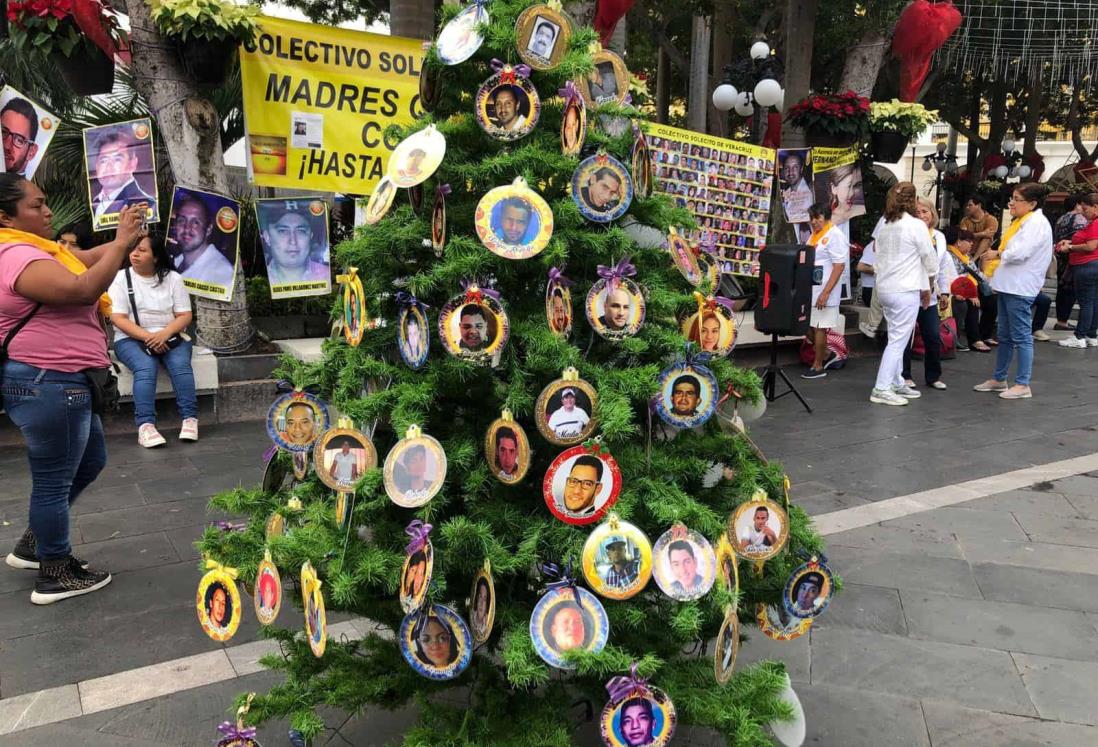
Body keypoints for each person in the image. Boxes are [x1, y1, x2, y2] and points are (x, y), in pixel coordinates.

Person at [0, 174, 145, 603]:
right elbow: (82, 289)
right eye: (36, 205)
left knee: (90, 460)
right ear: (5, 216)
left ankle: (36, 543)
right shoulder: (14, 255)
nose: (47, 212)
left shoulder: (44, 252)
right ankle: (55, 571)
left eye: (45, 204)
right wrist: (121, 244)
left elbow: (86, 258)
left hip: (65, 382)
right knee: (53, 481)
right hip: (49, 382)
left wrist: (126, 236)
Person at [108, 235, 198, 447]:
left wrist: (163, 335)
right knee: (146, 367)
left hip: (171, 336)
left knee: (180, 365)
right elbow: (118, 318)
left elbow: (185, 315)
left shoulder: (173, 279)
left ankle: (190, 419)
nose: (135, 255)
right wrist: (149, 337)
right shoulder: (121, 278)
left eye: (142, 250)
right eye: (133, 250)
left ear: (156, 257)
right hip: (131, 339)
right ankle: (145, 425)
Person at [973, 183, 1054, 399]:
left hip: (1020, 286)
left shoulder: (1036, 223)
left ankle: (1022, 383)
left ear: (1032, 203)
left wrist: (998, 255)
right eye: (1013, 198)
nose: (1012, 203)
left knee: (1021, 336)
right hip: (1008, 284)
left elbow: (1021, 252)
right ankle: (1000, 378)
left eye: (1017, 199)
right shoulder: (1021, 221)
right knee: (1005, 335)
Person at [869, 183, 938, 406]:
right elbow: (929, 259)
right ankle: (881, 387)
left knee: (899, 337)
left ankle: (896, 381)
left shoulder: (885, 224)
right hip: (905, 289)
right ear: (914, 201)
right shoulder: (915, 225)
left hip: (886, 287)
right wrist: (929, 286)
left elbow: (877, 255)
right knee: (898, 341)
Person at [901, 198, 954, 391]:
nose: (922, 216)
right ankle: (904, 375)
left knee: (932, 336)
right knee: (905, 336)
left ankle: (933, 376)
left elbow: (940, 267)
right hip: (909, 294)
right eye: (917, 212)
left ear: (932, 214)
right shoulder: (908, 234)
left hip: (930, 298)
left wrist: (945, 292)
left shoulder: (939, 237)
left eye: (925, 211)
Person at [802, 203, 849, 379]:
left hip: (824, 290)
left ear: (826, 217)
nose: (813, 221)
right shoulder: (814, 236)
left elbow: (839, 266)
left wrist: (826, 293)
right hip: (810, 289)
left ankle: (818, 365)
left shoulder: (835, 235)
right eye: (811, 218)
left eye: (817, 218)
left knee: (820, 326)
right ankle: (828, 353)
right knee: (806, 325)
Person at [1055, 192, 1098, 348]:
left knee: (1086, 302)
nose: (1083, 213)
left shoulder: (1095, 224)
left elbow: (1091, 246)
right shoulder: (1092, 222)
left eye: (1086, 209)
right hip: (1090, 265)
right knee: (1093, 301)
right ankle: (1091, 334)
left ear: (1095, 207)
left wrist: (1071, 247)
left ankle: (1079, 336)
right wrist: (1070, 241)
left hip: (1087, 265)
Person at [90, 129, 156, 224]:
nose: (109, 167)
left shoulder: (146, 205)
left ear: (132, 164)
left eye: (117, 160)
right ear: (96, 165)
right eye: (103, 161)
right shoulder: (95, 201)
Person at [171, 195, 234, 288]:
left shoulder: (220, 272)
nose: (187, 228)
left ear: (208, 229)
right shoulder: (173, 263)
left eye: (195, 222)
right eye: (181, 220)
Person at [946, 228, 992, 353]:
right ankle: (974, 339)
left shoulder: (967, 256)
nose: (972, 243)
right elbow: (953, 278)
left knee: (992, 300)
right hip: (955, 289)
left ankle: (985, 334)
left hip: (972, 286)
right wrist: (969, 293)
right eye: (969, 240)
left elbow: (977, 273)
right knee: (972, 304)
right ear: (959, 242)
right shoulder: (948, 255)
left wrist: (991, 286)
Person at [260, 205, 328, 286]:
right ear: (267, 237)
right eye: (282, 231)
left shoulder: (327, 276)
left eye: (301, 231)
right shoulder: (260, 282)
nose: (293, 241)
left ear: (310, 236)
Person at [1052, 195, 1087, 331]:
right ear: (1077, 205)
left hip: (1060, 257)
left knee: (1061, 288)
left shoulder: (1061, 218)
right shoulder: (1079, 218)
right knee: (1071, 290)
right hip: (1073, 257)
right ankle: (1064, 321)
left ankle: (1061, 320)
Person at [1, 97, 39, 176]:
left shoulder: (24, 188)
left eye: (19, 140)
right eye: (3, 132)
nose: (6, 145)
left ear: (31, 152)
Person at [856, 239, 876, 308]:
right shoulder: (873, 246)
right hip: (871, 289)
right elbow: (861, 267)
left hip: (877, 288)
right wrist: (881, 271)